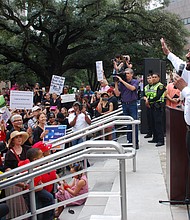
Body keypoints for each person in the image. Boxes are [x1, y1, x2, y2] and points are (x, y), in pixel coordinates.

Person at [161, 37, 190, 153]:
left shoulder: (186, 88)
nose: (187, 55)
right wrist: (168, 53)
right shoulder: (187, 70)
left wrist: (184, 89)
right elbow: (178, 63)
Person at [20, 147, 55, 220]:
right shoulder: (27, 168)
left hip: (38, 190)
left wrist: (40, 184)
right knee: (36, 211)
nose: (43, 157)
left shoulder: (36, 166)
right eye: (41, 156)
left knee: (49, 198)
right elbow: (25, 185)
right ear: (35, 160)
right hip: (31, 192)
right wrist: (35, 187)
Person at [3, 131, 30, 219]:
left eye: (20, 137)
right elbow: (7, 168)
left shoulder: (27, 148)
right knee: (18, 203)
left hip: (28, 178)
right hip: (16, 182)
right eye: (17, 137)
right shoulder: (9, 153)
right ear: (13, 140)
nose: (19, 139)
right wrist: (15, 176)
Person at [114, 68, 139, 149]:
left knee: (134, 122)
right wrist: (116, 83)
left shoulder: (135, 81)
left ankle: (135, 141)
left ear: (132, 74)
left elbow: (132, 88)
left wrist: (122, 81)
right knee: (127, 123)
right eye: (125, 73)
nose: (126, 75)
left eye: (128, 73)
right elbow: (117, 94)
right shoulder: (121, 83)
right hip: (124, 104)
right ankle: (129, 140)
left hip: (132, 104)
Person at [147, 73, 166, 147]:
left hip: (158, 106)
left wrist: (149, 100)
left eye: (155, 77)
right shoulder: (152, 86)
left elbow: (158, 96)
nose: (153, 78)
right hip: (152, 106)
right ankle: (155, 138)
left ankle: (161, 140)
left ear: (159, 78)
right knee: (153, 123)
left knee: (158, 124)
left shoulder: (160, 86)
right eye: (153, 77)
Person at [143, 74, 153, 138]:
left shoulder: (155, 86)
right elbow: (144, 95)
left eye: (150, 78)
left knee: (154, 121)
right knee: (149, 120)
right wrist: (146, 99)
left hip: (154, 104)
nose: (149, 79)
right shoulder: (146, 87)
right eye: (147, 78)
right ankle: (149, 133)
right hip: (147, 104)